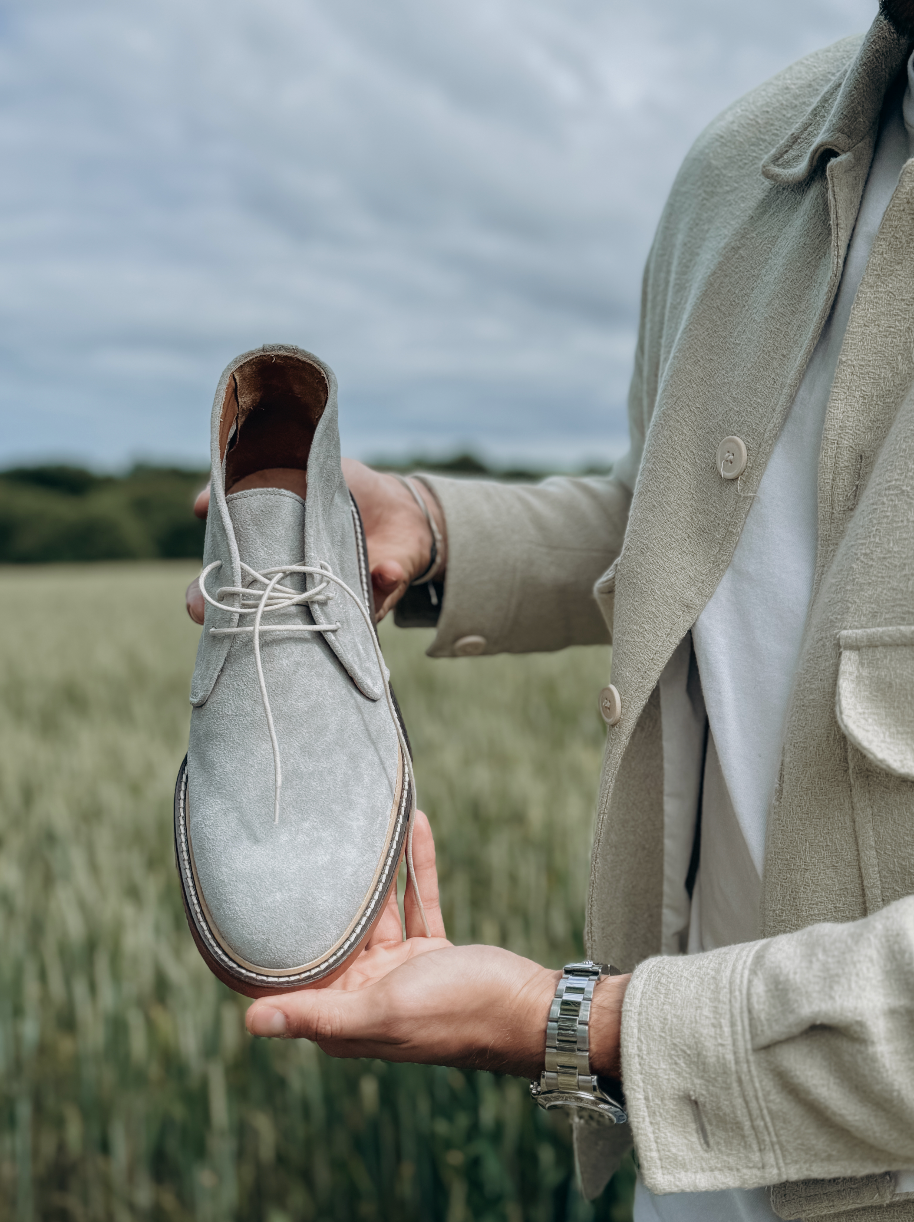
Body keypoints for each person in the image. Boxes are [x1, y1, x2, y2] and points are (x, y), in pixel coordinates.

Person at [187, 4, 914, 1218]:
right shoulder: (744, 160)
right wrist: (432, 534)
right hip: (697, 1170)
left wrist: (566, 1020)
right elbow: (701, 514)